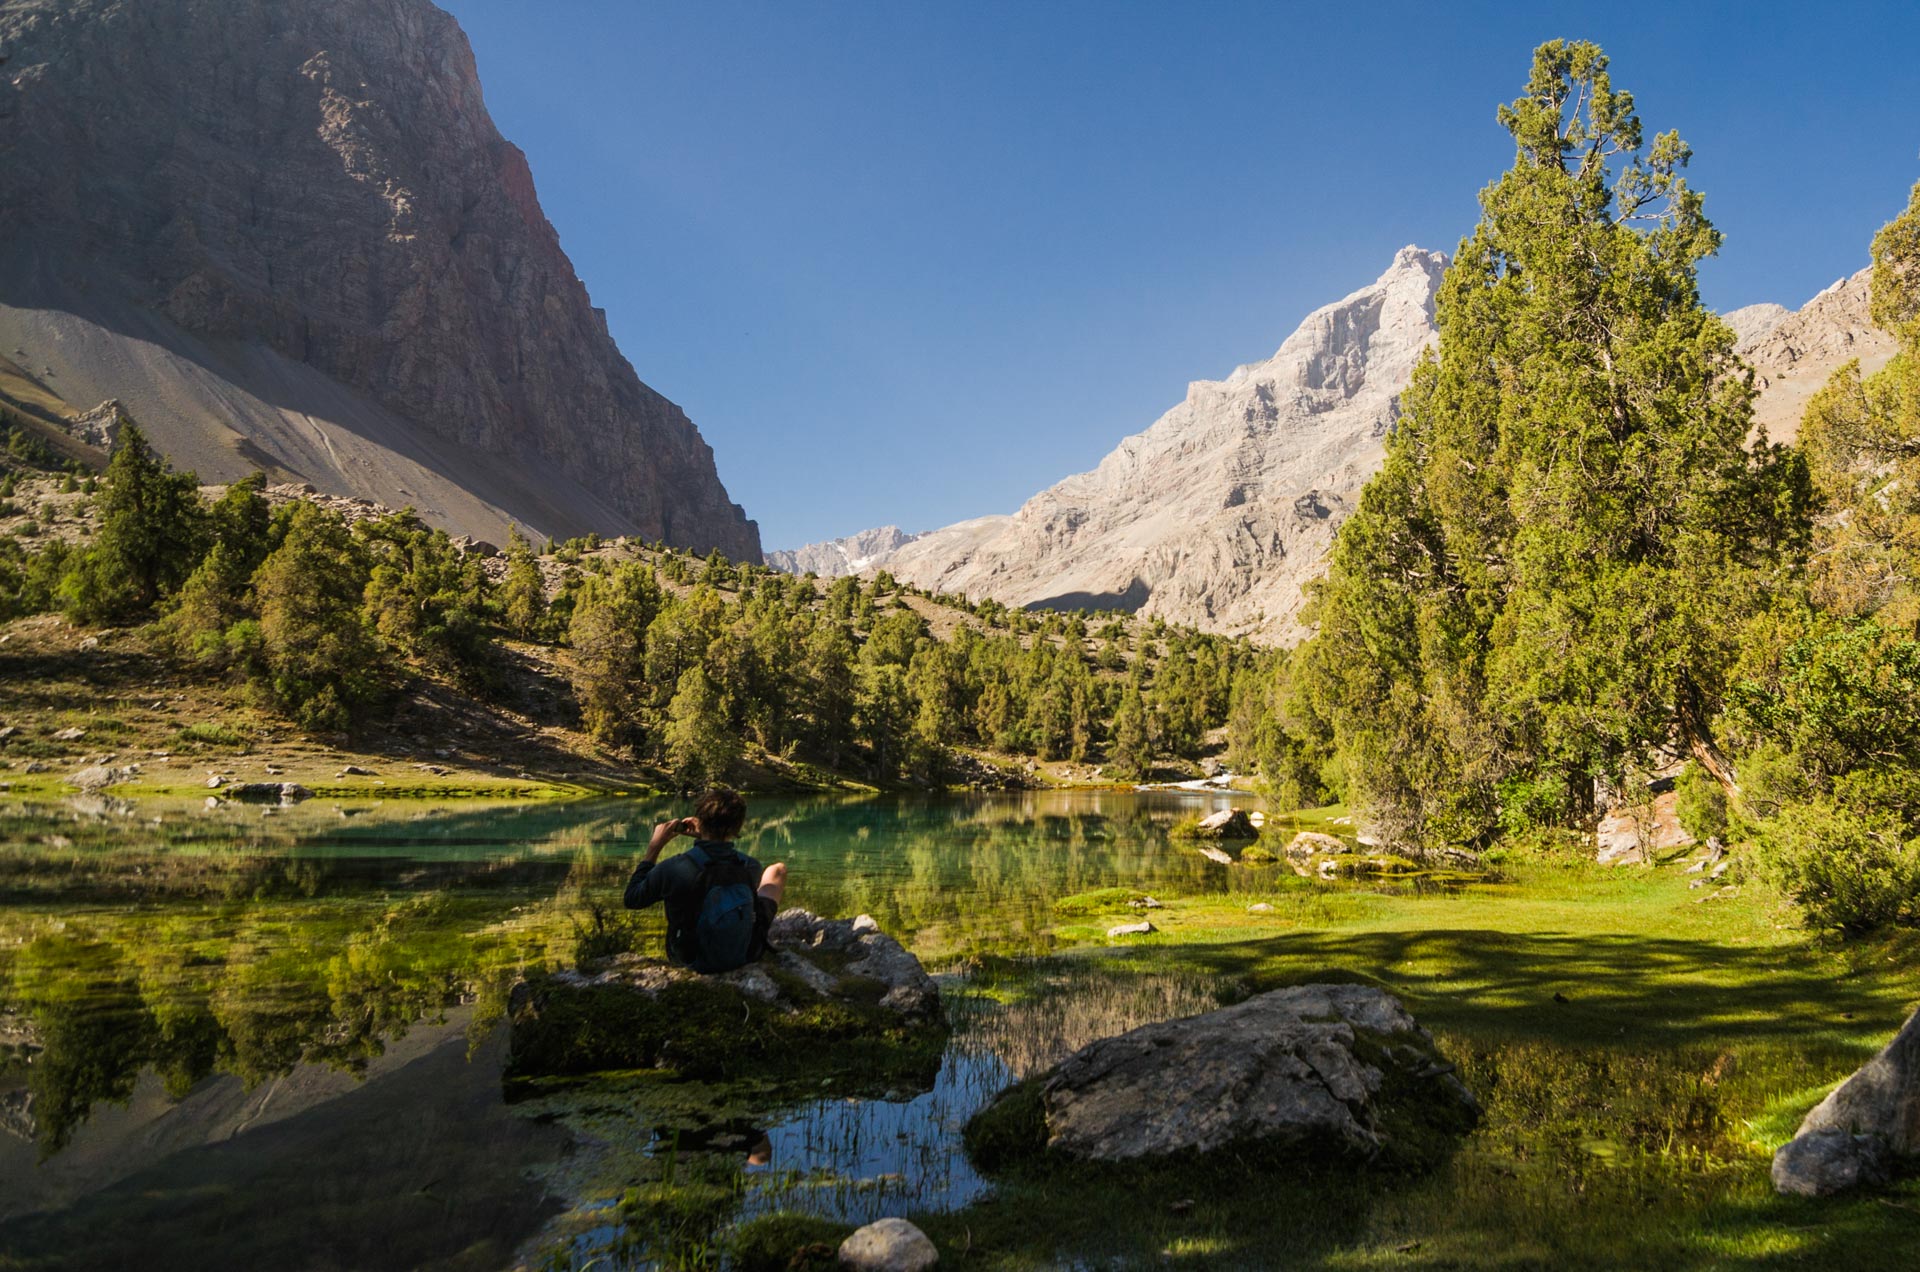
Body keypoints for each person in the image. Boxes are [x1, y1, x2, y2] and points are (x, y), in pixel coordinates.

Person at [623, 788, 786, 972]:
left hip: (690, 959)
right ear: (738, 827)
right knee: (777, 871)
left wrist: (654, 847)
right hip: (744, 955)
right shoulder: (749, 866)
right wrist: (706, 834)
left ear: (699, 821)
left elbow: (632, 899)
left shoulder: (674, 868)